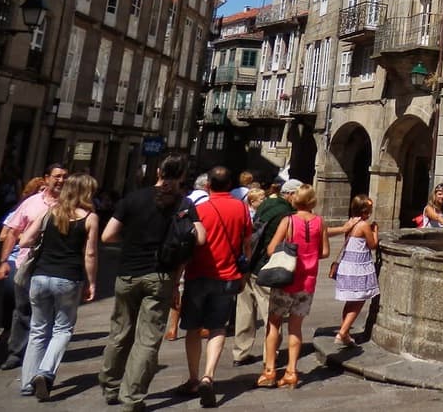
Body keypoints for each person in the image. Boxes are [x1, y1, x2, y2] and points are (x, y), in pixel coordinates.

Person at [99, 153, 206, 412]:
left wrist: (130, 242)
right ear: (181, 177)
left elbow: (107, 235)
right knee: (147, 340)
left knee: (120, 332)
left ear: (158, 171)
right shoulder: (183, 204)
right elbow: (200, 238)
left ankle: (111, 386)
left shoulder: (133, 199)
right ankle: (132, 398)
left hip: (127, 274)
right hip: (160, 276)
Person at [17, 173, 99, 400]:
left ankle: (26, 382)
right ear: (86, 193)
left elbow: (24, 240)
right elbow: (90, 253)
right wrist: (91, 282)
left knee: (38, 329)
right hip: (68, 279)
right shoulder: (90, 218)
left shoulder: (49, 211)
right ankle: (45, 372)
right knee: (62, 329)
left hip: (40, 277)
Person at [178, 166, 251, 408]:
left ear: (208, 185)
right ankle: (209, 375)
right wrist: (245, 272)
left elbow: (188, 245)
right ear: (230, 184)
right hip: (228, 275)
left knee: (193, 328)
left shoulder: (199, 209)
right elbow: (246, 242)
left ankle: (193, 378)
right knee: (218, 327)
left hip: (198, 274)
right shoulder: (241, 208)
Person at [0, 163, 67, 370]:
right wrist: (3, 261)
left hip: (55, 265)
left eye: (64, 177)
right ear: (46, 178)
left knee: (50, 311)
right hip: (25, 263)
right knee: (22, 308)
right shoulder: (30, 203)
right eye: (57, 176)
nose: (61, 180)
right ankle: (16, 353)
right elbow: (12, 231)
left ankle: (40, 353)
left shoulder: (69, 205)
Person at [257, 184, 328, 389]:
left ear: (295, 200)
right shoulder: (320, 222)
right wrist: (309, 253)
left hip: (285, 280)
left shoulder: (288, 221)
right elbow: (324, 252)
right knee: (296, 328)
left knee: (274, 324)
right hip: (307, 282)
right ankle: (291, 372)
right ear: (313, 201)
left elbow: (271, 249)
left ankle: (270, 371)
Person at [233, 178, 300, 366]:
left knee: (245, 311)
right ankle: (269, 355)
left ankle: (240, 353)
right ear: (291, 194)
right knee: (272, 315)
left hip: (249, 263)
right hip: (267, 268)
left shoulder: (267, 203)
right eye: (299, 194)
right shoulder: (286, 213)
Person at [0, 177, 45, 346]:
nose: (42, 193)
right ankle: (7, 328)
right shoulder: (19, 210)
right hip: (15, 257)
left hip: (36, 259)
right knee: (11, 294)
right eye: (39, 190)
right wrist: (25, 234)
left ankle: (24, 335)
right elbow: (4, 235)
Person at [331, 194, 379, 346]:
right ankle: (343, 332)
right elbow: (372, 245)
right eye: (369, 209)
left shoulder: (351, 223)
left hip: (347, 265)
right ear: (365, 210)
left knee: (350, 301)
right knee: (360, 300)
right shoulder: (364, 225)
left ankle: (345, 332)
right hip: (358, 267)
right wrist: (375, 231)